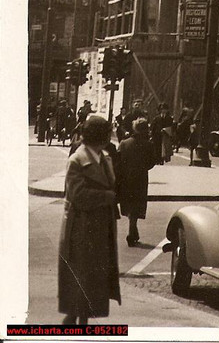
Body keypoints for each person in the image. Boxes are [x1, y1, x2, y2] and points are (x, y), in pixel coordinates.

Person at [58, 114, 121, 326]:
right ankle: (70, 328)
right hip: (81, 229)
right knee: (81, 282)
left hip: (99, 228)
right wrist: (106, 197)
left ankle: (80, 325)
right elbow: (78, 195)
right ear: (99, 137)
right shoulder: (77, 160)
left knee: (91, 284)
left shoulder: (104, 157)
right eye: (106, 134)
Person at [116, 117, 158, 246]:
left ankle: (132, 230)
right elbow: (152, 161)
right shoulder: (148, 145)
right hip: (140, 178)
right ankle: (132, 230)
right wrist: (143, 167)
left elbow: (118, 160)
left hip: (126, 178)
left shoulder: (124, 143)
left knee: (129, 205)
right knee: (136, 205)